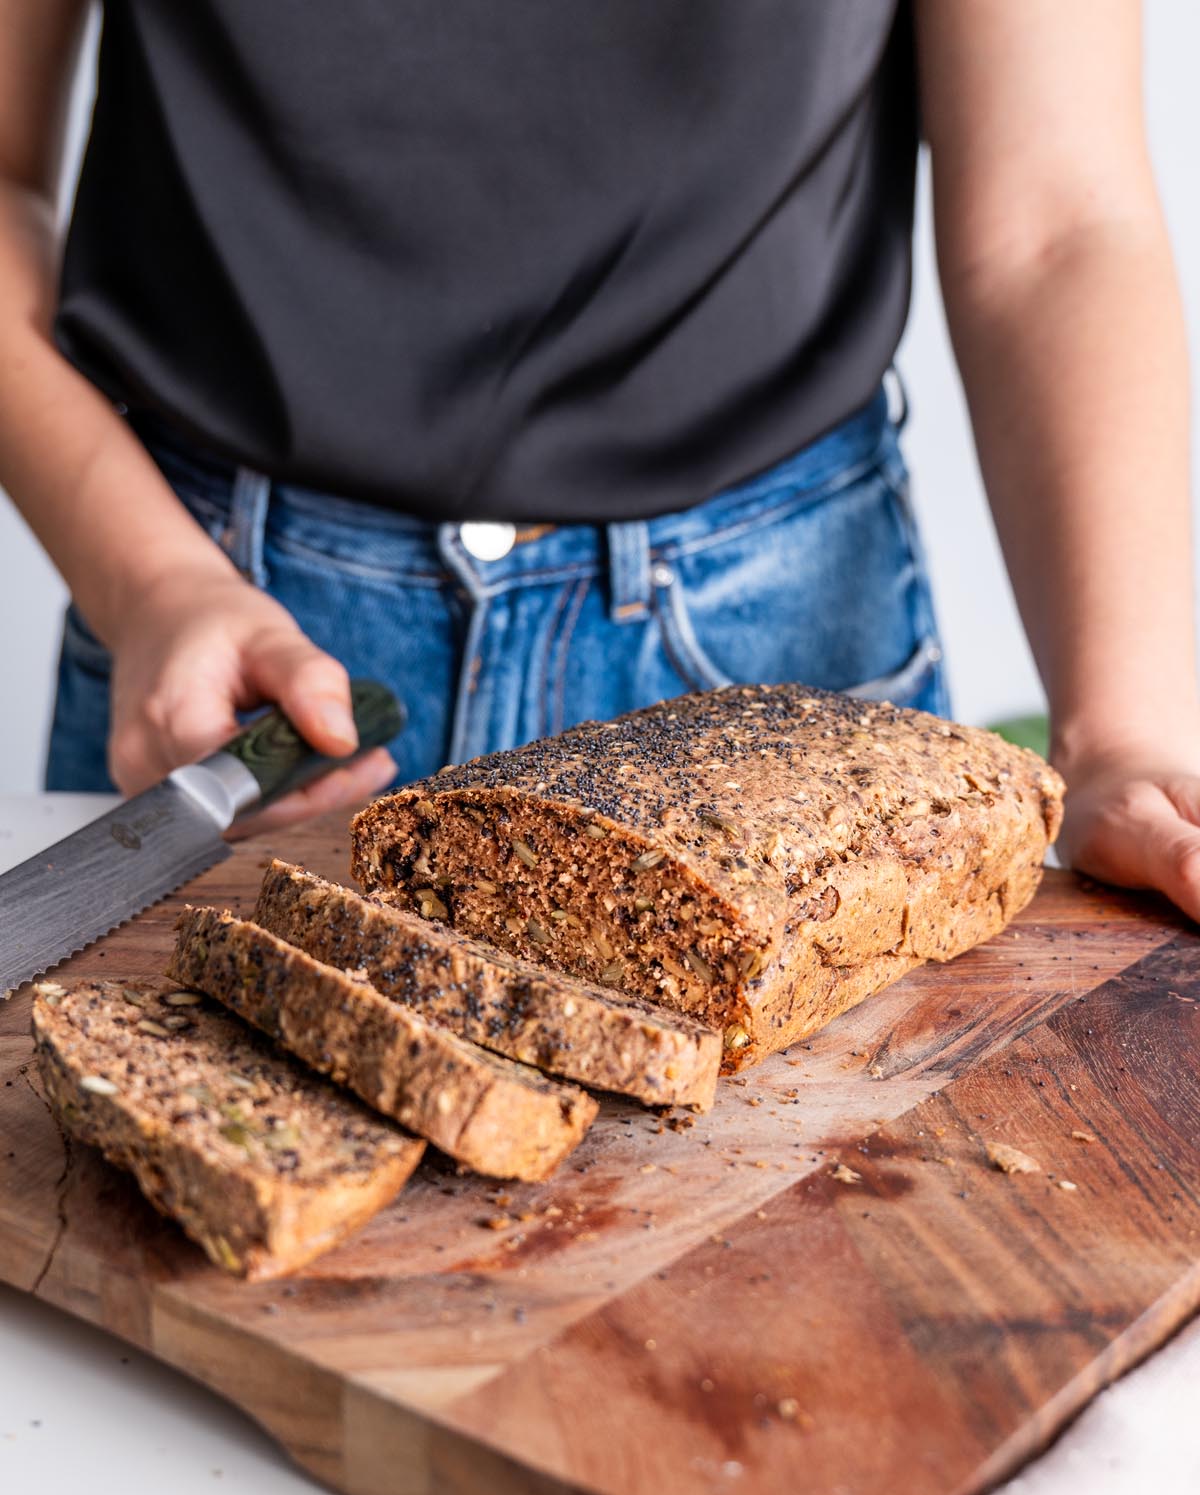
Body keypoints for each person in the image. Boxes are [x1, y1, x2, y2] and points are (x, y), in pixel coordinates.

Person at [1, 1, 1196, 915]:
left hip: (776, 667)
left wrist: (1128, 730)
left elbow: (1059, 220)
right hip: (230, 655)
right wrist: (148, 585)